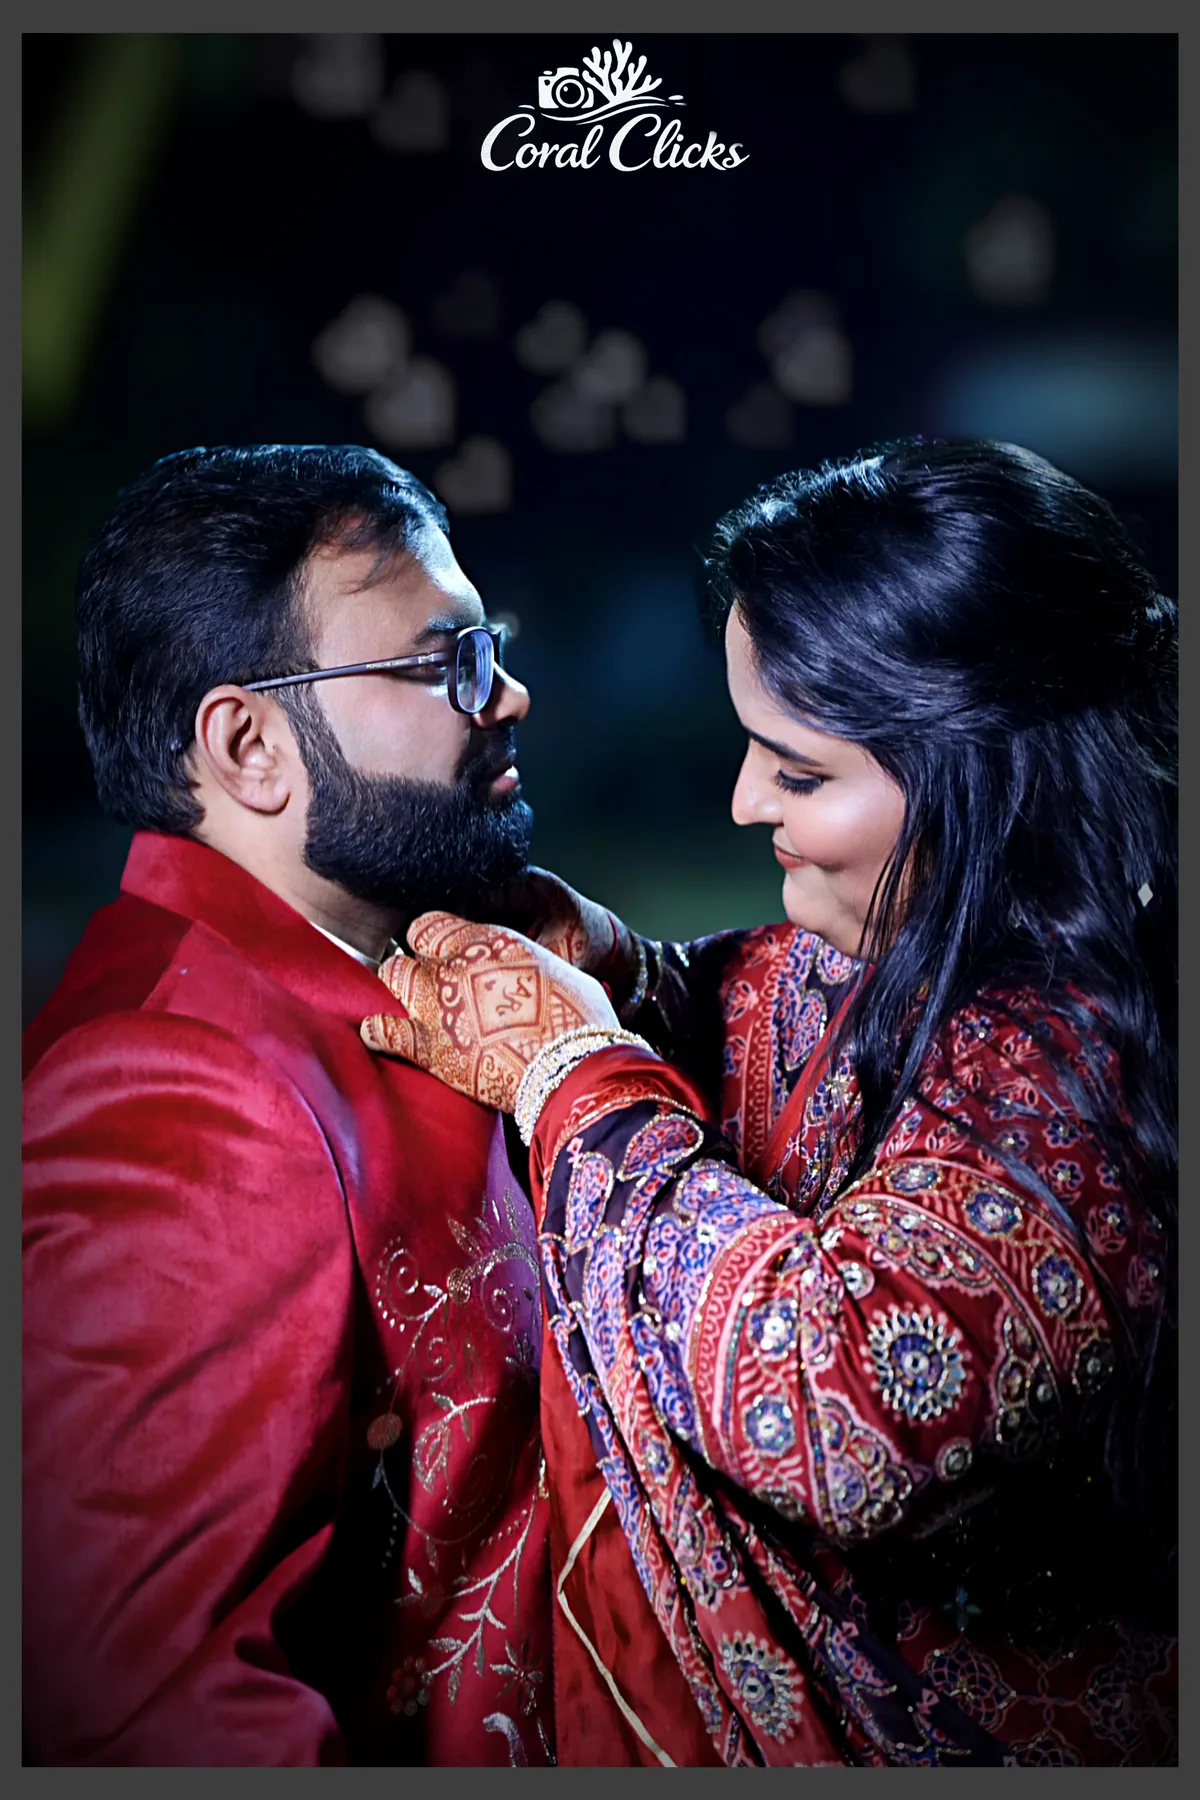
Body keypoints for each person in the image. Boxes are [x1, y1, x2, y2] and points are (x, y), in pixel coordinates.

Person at [360, 439, 1179, 1767]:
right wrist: (613, 970)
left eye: (798, 773)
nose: (748, 803)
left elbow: (836, 1407)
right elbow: (771, 1002)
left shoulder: (1097, 1060)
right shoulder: (969, 959)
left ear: (978, 780)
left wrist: (574, 1077)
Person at [22, 443, 607, 1766]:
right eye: (442, 660)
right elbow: (153, 1708)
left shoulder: (376, 966)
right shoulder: (177, 1090)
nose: (506, 693)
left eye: (491, 645)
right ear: (249, 744)